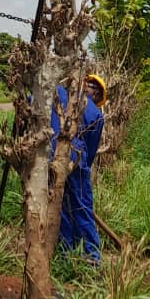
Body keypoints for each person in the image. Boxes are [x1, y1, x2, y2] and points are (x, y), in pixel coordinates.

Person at [50, 73, 107, 263]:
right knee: (81, 206)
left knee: (59, 205)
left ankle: (65, 251)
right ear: (97, 95)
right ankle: (92, 257)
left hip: (48, 155)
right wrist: (83, 170)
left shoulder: (57, 93)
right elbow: (89, 152)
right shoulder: (96, 114)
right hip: (74, 158)